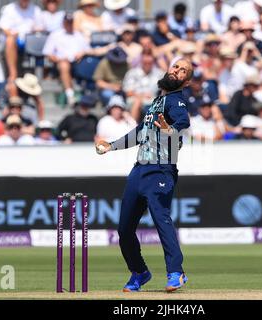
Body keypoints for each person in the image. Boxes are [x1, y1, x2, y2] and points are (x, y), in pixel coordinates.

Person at [96, 59, 193, 292]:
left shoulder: (176, 100)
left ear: (186, 82)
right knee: (124, 229)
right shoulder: (157, 102)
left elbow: (183, 121)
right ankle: (140, 272)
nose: (177, 71)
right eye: (175, 67)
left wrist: (171, 130)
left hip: (161, 168)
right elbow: (140, 133)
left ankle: (176, 272)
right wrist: (111, 145)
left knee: (161, 218)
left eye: (183, 71)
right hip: (139, 169)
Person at [43, 12, 91, 106]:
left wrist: (81, 53)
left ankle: (89, 92)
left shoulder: (78, 35)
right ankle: (70, 95)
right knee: (64, 65)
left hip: (78, 63)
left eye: (70, 22)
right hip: (60, 64)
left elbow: (88, 49)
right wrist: (58, 59)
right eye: (67, 22)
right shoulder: (55, 35)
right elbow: (47, 53)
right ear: (63, 23)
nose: (69, 24)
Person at [0, 0, 43, 82]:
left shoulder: (36, 10)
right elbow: (4, 28)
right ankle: (13, 73)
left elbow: (40, 28)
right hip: (15, 41)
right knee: (10, 40)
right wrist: (14, 34)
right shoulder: (9, 9)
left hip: (30, 42)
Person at [122, 52, 164, 122]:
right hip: (134, 98)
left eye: (150, 62)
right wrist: (141, 96)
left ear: (153, 62)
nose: (147, 64)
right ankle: (133, 127)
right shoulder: (132, 73)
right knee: (137, 102)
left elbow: (168, 86)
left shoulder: (159, 74)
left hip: (152, 99)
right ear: (141, 62)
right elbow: (128, 93)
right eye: (145, 62)